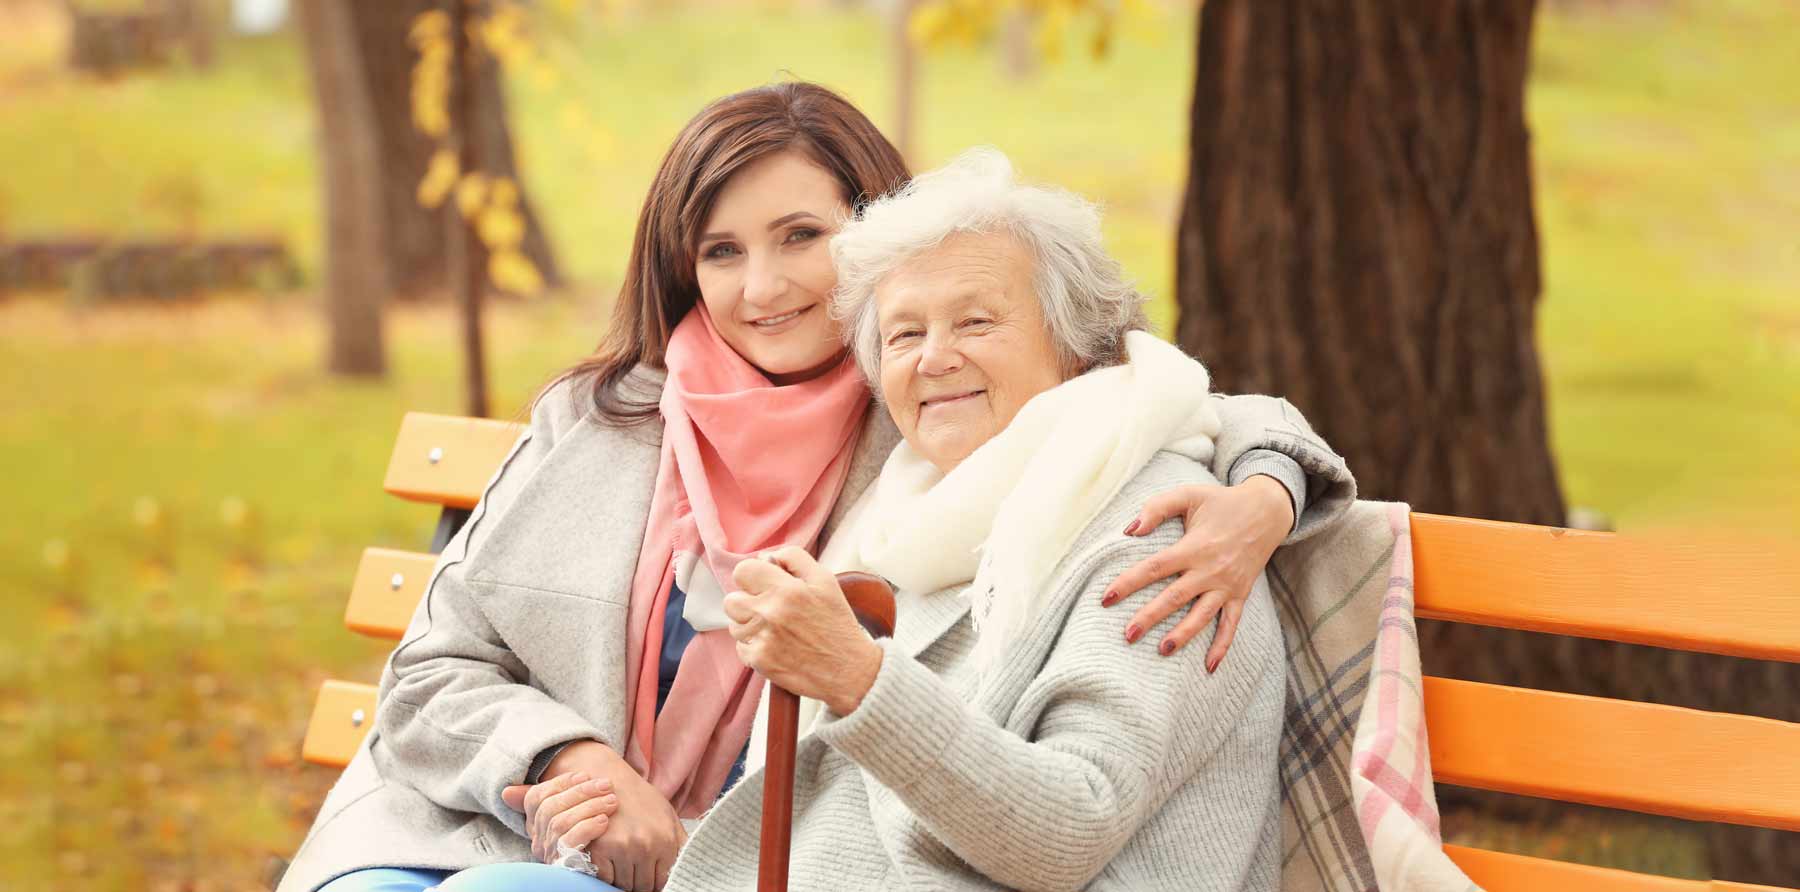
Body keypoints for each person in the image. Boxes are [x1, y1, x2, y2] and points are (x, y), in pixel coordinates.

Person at [277, 84, 1352, 892]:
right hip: (490, 820)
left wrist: (1266, 490)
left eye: (803, 237)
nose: (765, 286)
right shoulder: (601, 419)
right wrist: (570, 754)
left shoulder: (928, 423)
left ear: (876, 236)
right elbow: (434, 667)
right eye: (722, 250)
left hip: (735, 862)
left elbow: (1157, 396)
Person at [644, 147, 1295, 890]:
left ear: (1077, 343)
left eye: (976, 322)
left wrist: (858, 678)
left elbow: (1070, 828)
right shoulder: (905, 515)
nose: (935, 359)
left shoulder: (1158, 534)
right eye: (905, 335)